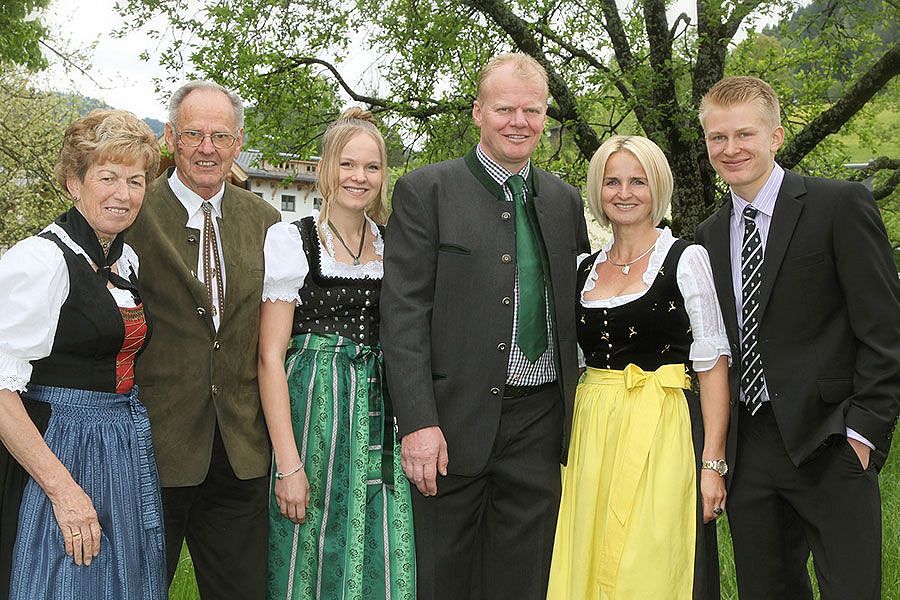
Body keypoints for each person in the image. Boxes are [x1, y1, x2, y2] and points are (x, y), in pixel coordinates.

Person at [381, 53, 589, 600]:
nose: (519, 122)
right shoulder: (427, 190)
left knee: (524, 580)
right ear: (478, 112)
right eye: (504, 109)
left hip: (539, 422)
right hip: (450, 424)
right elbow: (402, 316)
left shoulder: (565, 201)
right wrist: (418, 422)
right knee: (443, 578)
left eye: (532, 110)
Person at [695, 76, 900, 599]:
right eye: (718, 137)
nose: (731, 148)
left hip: (831, 440)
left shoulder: (839, 205)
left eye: (744, 134)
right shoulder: (709, 237)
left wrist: (864, 434)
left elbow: (885, 329)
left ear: (776, 136)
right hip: (752, 450)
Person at [546, 135, 730, 599]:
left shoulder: (685, 259)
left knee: (648, 561)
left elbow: (712, 366)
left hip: (662, 429)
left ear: (657, 188)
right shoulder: (584, 266)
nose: (624, 193)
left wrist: (712, 464)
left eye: (637, 181)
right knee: (589, 555)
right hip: (593, 433)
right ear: (597, 190)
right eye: (612, 181)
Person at [0, 109, 165, 599]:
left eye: (135, 181)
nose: (124, 194)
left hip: (118, 442)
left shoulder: (122, 259)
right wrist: (62, 490)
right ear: (74, 182)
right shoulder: (41, 259)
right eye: (108, 177)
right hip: (57, 447)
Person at [126, 80, 281, 598]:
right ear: (170, 137)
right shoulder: (135, 213)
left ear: (238, 143)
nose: (207, 148)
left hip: (239, 449)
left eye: (220, 136)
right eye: (194, 134)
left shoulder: (266, 221)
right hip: (155, 443)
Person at [257, 107, 415, 599]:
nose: (359, 177)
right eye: (348, 164)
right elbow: (269, 357)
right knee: (310, 542)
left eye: (371, 167)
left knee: (379, 541)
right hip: (313, 416)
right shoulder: (292, 239)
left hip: (377, 412)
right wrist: (288, 461)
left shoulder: (396, 245)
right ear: (327, 168)